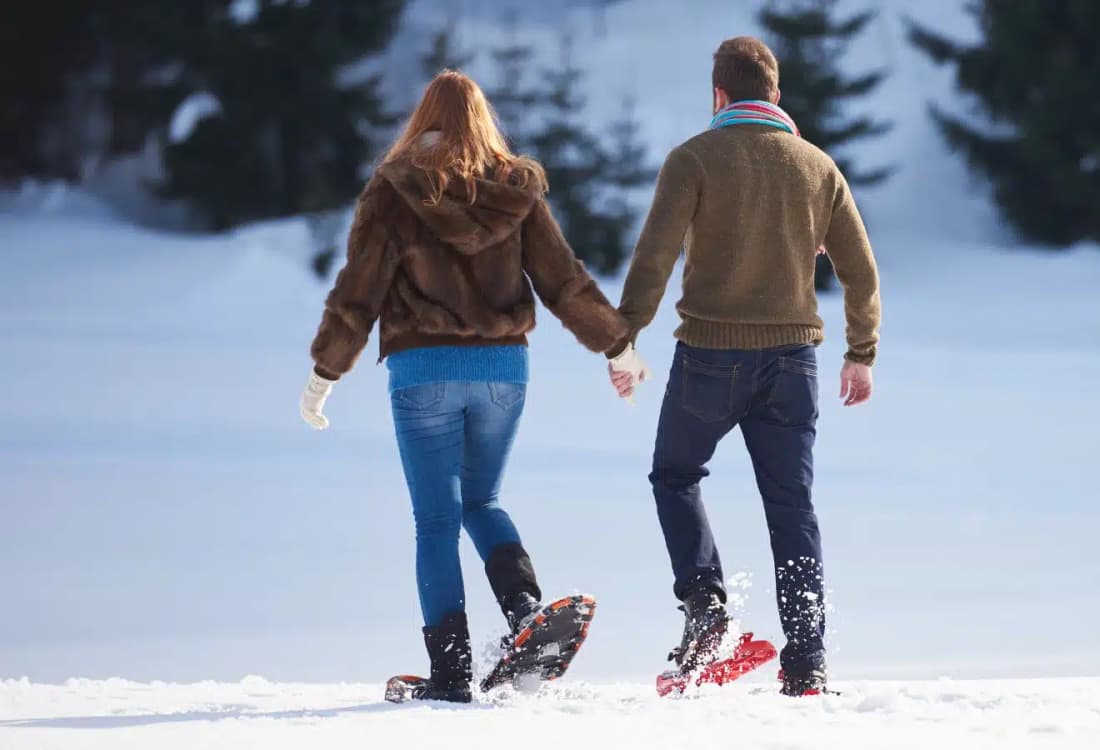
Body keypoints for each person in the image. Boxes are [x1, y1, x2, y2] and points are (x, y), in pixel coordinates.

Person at [300, 71, 627, 702]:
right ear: (484, 121)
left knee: (436, 520)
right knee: (482, 500)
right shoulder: (515, 190)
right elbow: (563, 281)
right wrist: (618, 343)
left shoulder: (394, 190)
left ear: (421, 118)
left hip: (423, 371)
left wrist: (325, 370)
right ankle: (526, 610)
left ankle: (450, 674)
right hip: (504, 371)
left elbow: (358, 291)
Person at [606, 36, 881, 696]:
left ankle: (707, 615)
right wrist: (860, 353)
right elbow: (861, 272)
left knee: (675, 474)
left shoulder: (693, 159)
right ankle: (808, 661)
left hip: (710, 358)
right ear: (777, 96)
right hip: (795, 364)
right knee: (792, 507)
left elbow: (654, 257)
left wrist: (625, 339)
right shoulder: (818, 168)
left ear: (719, 97)